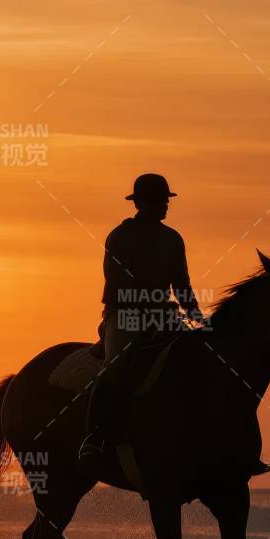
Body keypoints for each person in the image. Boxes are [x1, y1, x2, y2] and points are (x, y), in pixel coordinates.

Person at [79, 174, 204, 466]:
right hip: (124, 316)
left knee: (199, 358)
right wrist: (148, 308)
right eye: (161, 201)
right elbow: (118, 283)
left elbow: (182, 285)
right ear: (142, 204)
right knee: (115, 367)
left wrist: (198, 317)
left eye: (166, 201)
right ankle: (93, 437)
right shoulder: (120, 237)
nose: (166, 206)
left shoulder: (173, 239)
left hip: (163, 316)